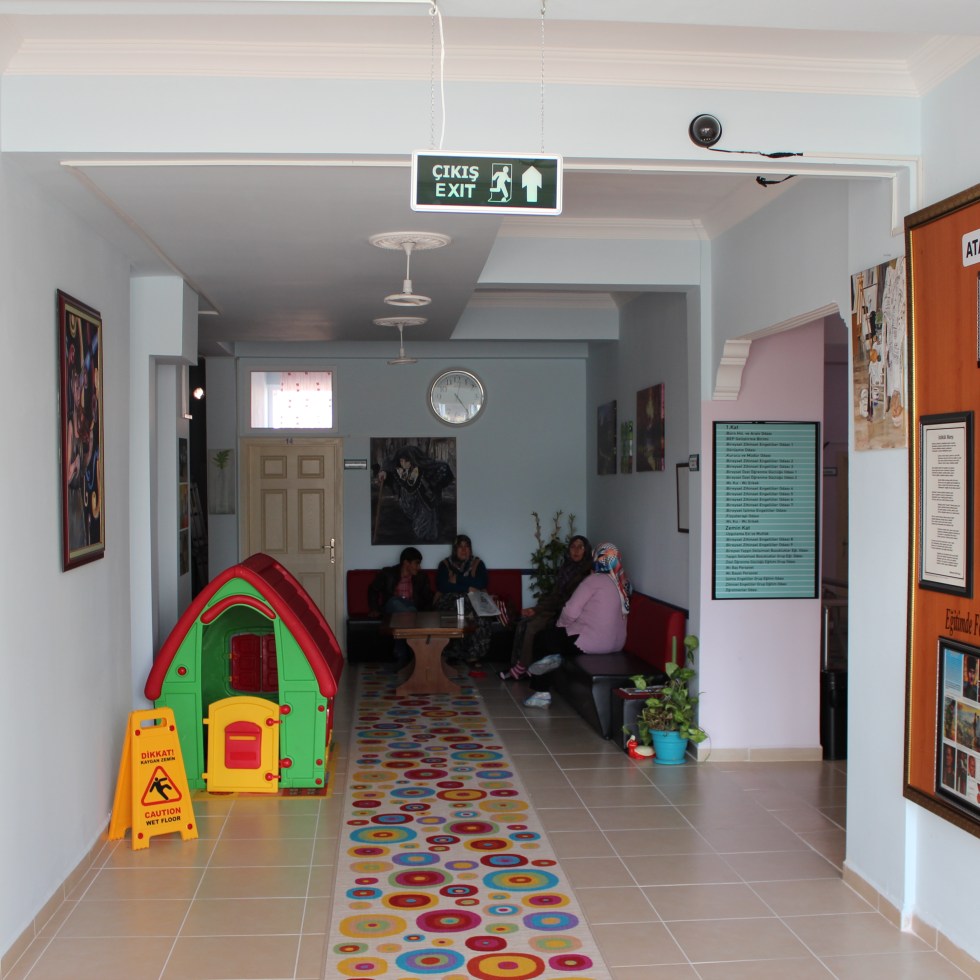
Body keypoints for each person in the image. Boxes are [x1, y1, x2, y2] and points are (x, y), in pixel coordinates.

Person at [523, 541, 632, 708]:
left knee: (543, 638)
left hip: (592, 642)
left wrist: (559, 627)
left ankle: (541, 693)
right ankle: (555, 656)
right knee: (556, 640)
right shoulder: (624, 583)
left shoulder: (593, 580)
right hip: (617, 644)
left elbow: (570, 611)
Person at [499, 535, 592, 681]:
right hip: (556, 607)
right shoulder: (566, 568)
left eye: (580, 547)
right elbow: (555, 595)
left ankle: (522, 667)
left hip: (569, 613)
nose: (576, 550)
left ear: (586, 550)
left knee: (532, 626)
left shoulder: (588, 573)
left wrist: (541, 610)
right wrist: (536, 609)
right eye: (573, 546)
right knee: (523, 623)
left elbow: (569, 601)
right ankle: (519, 665)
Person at [368, 547, 433, 669]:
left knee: (405, 615)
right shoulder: (388, 573)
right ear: (406, 563)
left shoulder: (421, 577)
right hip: (392, 607)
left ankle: (401, 654)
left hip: (410, 608)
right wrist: (374, 609)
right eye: (417, 563)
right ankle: (415, 655)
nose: (419, 567)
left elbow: (427, 597)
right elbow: (373, 590)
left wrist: (426, 614)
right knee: (396, 603)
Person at [376, 446, 454, 543]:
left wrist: (433, 486)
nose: (403, 463)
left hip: (424, 505)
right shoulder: (400, 472)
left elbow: (440, 471)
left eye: (406, 461)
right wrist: (384, 472)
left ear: (412, 461)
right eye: (401, 461)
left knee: (425, 528)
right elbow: (391, 470)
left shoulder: (420, 471)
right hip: (411, 506)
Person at [434, 534, 491, 664]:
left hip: (473, 602)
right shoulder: (445, 564)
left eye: (467, 546)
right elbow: (443, 586)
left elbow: (481, 583)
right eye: (460, 547)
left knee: (480, 615)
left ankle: (473, 655)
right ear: (455, 549)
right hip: (450, 601)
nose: (464, 550)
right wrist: (468, 587)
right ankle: (450, 654)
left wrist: (458, 579)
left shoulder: (477, 563)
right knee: (456, 610)